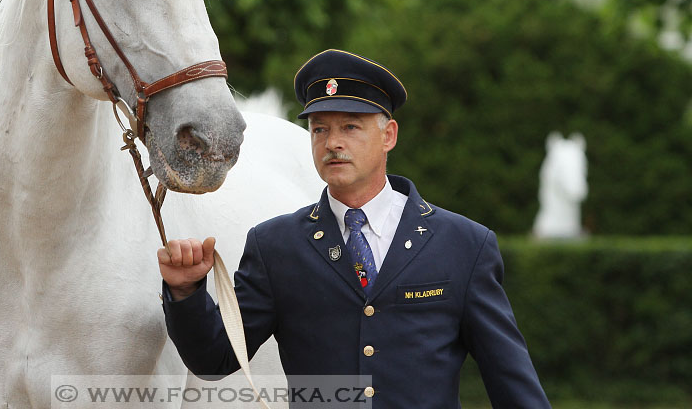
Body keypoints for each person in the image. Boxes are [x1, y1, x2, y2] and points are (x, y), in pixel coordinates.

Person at [157, 49, 550, 408]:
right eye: (320, 129)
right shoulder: (275, 246)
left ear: (389, 136)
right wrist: (186, 291)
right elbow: (216, 358)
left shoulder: (465, 245)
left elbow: (512, 384)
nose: (332, 143)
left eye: (350, 127)